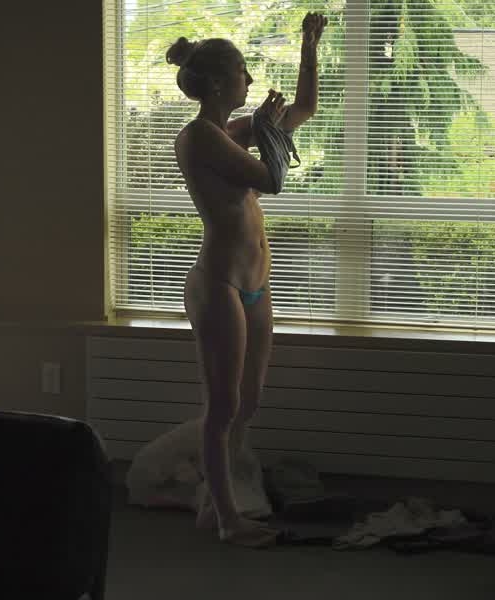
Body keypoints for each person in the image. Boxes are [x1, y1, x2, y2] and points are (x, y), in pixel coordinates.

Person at [166, 12, 327, 548]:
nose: (250, 79)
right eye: (242, 71)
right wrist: (267, 128)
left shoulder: (231, 133)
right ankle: (227, 519)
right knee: (223, 407)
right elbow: (270, 179)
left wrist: (309, 46)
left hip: (255, 284)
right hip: (219, 284)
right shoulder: (199, 138)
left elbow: (304, 109)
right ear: (218, 83)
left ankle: (215, 502)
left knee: (248, 403)